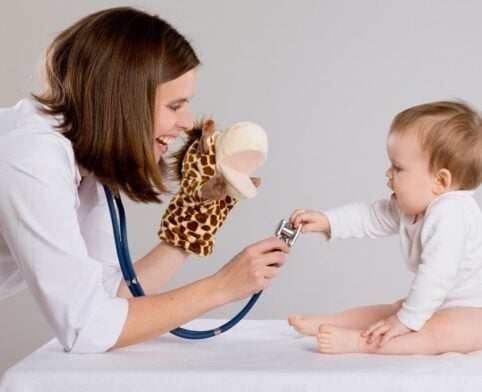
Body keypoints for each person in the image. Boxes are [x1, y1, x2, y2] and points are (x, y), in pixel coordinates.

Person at [0, 7, 289, 353]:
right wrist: (220, 287)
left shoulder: (88, 166)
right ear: (124, 101)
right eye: (174, 105)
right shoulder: (31, 158)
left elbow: (111, 296)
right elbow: (86, 327)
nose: (186, 121)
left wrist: (191, 223)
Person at [288, 100, 482, 355]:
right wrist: (328, 220)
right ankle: (327, 322)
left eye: (398, 168)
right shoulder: (416, 207)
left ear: (440, 180)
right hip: (434, 305)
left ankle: (359, 342)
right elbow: (371, 215)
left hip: (473, 313)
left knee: (439, 333)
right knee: (392, 311)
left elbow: (437, 273)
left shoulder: (452, 213)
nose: (388, 174)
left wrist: (406, 320)